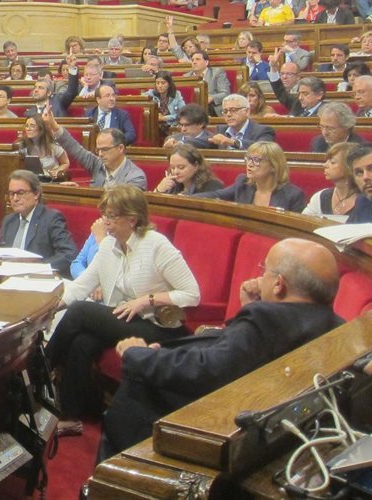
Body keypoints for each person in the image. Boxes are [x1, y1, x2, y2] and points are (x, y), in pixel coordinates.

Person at [102, 238, 342, 461]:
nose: (261, 278)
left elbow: (205, 371)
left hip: (210, 422)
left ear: (279, 284)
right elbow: (243, 350)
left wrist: (139, 354)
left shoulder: (266, 317)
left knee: (135, 384)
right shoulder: (335, 326)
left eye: (265, 270)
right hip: (263, 420)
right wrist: (249, 307)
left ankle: (108, 476)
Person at [48, 185, 200, 437]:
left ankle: (40, 372)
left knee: (81, 312)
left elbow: (192, 294)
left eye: (112, 216)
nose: (105, 222)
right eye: (105, 215)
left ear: (132, 219)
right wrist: (50, 308)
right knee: (83, 341)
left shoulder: (156, 245)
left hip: (158, 327)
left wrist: (145, 301)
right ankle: (71, 416)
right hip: (124, 319)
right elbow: (82, 285)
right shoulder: (109, 245)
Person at [45, 106, 146, 189]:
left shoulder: (135, 177)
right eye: (98, 150)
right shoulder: (98, 164)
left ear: (120, 148)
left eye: (105, 149)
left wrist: (86, 192)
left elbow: (122, 204)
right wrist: (53, 125)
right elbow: (75, 149)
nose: (100, 154)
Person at [0, 170, 77, 277]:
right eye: (12, 194)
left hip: (37, 277)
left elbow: (69, 253)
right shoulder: (9, 221)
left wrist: (39, 268)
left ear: (36, 194)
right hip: (9, 275)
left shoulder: (51, 218)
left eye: (20, 193)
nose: (15, 199)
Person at [200, 141, 305, 212]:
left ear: (274, 166)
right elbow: (216, 195)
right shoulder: (243, 183)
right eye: (248, 158)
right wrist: (190, 198)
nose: (249, 164)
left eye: (256, 160)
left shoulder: (293, 195)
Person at [303, 142, 361, 221]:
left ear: (349, 167)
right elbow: (303, 222)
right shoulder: (320, 197)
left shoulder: (367, 200)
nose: (325, 165)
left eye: (332, 162)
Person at [209, 93, 277, 150]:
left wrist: (233, 142)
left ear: (247, 112)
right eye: (225, 111)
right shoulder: (221, 129)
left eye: (233, 110)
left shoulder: (263, 130)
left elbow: (262, 148)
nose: (228, 114)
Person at [152, 143, 223, 196]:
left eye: (181, 167)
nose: (175, 172)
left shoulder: (212, 186)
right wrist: (158, 190)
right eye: (173, 168)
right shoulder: (172, 184)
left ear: (196, 165)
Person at [19, 113, 69, 179]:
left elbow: (65, 163)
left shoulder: (53, 146)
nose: (28, 129)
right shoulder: (23, 146)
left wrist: (57, 171)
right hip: (31, 180)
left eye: (32, 126)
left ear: (41, 129)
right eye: (27, 126)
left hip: (51, 180)